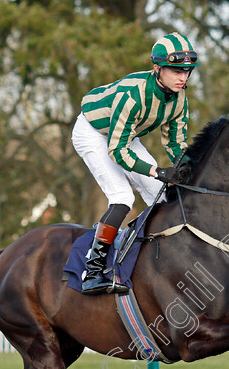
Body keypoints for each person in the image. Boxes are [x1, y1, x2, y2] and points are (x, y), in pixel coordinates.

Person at [71, 32, 199, 295]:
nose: (183, 77)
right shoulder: (133, 94)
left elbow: (175, 143)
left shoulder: (179, 98)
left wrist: (190, 167)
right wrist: (156, 170)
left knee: (162, 196)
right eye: (176, 70)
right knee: (122, 197)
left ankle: (162, 262)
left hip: (125, 135)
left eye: (187, 71)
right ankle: (92, 271)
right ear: (157, 68)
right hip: (93, 132)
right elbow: (117, 150)